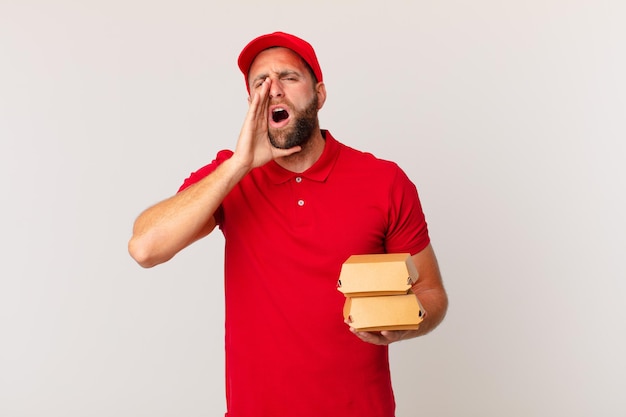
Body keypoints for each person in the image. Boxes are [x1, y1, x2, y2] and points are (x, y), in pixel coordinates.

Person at [128, 31, 448, 417]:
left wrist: (405, 324)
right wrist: (239, 165)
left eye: (288, 77)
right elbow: (145, 247)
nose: (273, 90)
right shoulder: (229, 176)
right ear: (251, 103)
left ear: (320, 94)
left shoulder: (383, 181)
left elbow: (431, 293)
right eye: (260, 83)